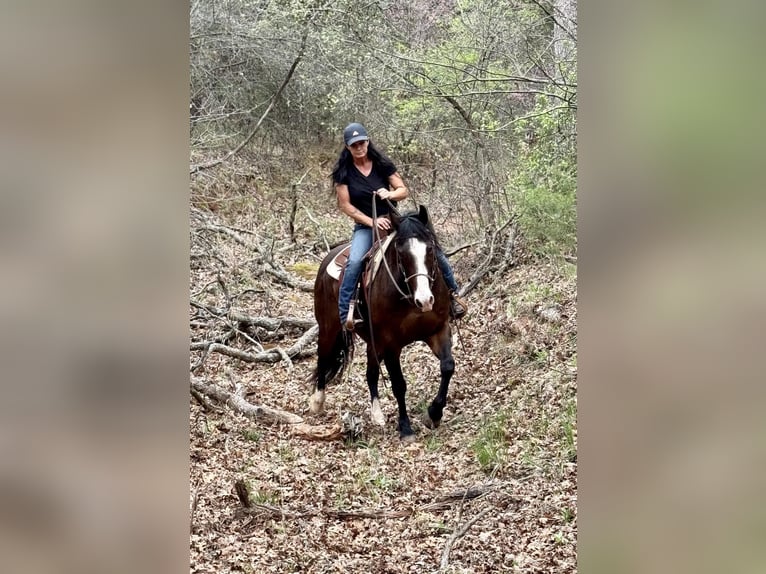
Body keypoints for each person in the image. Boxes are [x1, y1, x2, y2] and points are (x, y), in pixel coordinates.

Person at [332, 122, 468, 331]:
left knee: (432, 250)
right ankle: (346, 313)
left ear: (368, 141)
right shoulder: (344, 172)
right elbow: (345, 205)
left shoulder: (381, 163)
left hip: (394, 219)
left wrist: (390, 194)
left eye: (362, 143)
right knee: (355, 263)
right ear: (347, 147)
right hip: (366, 226)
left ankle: (453, 296)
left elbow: (402, 190)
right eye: (354, 145)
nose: (359, 148)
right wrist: (372, 222)